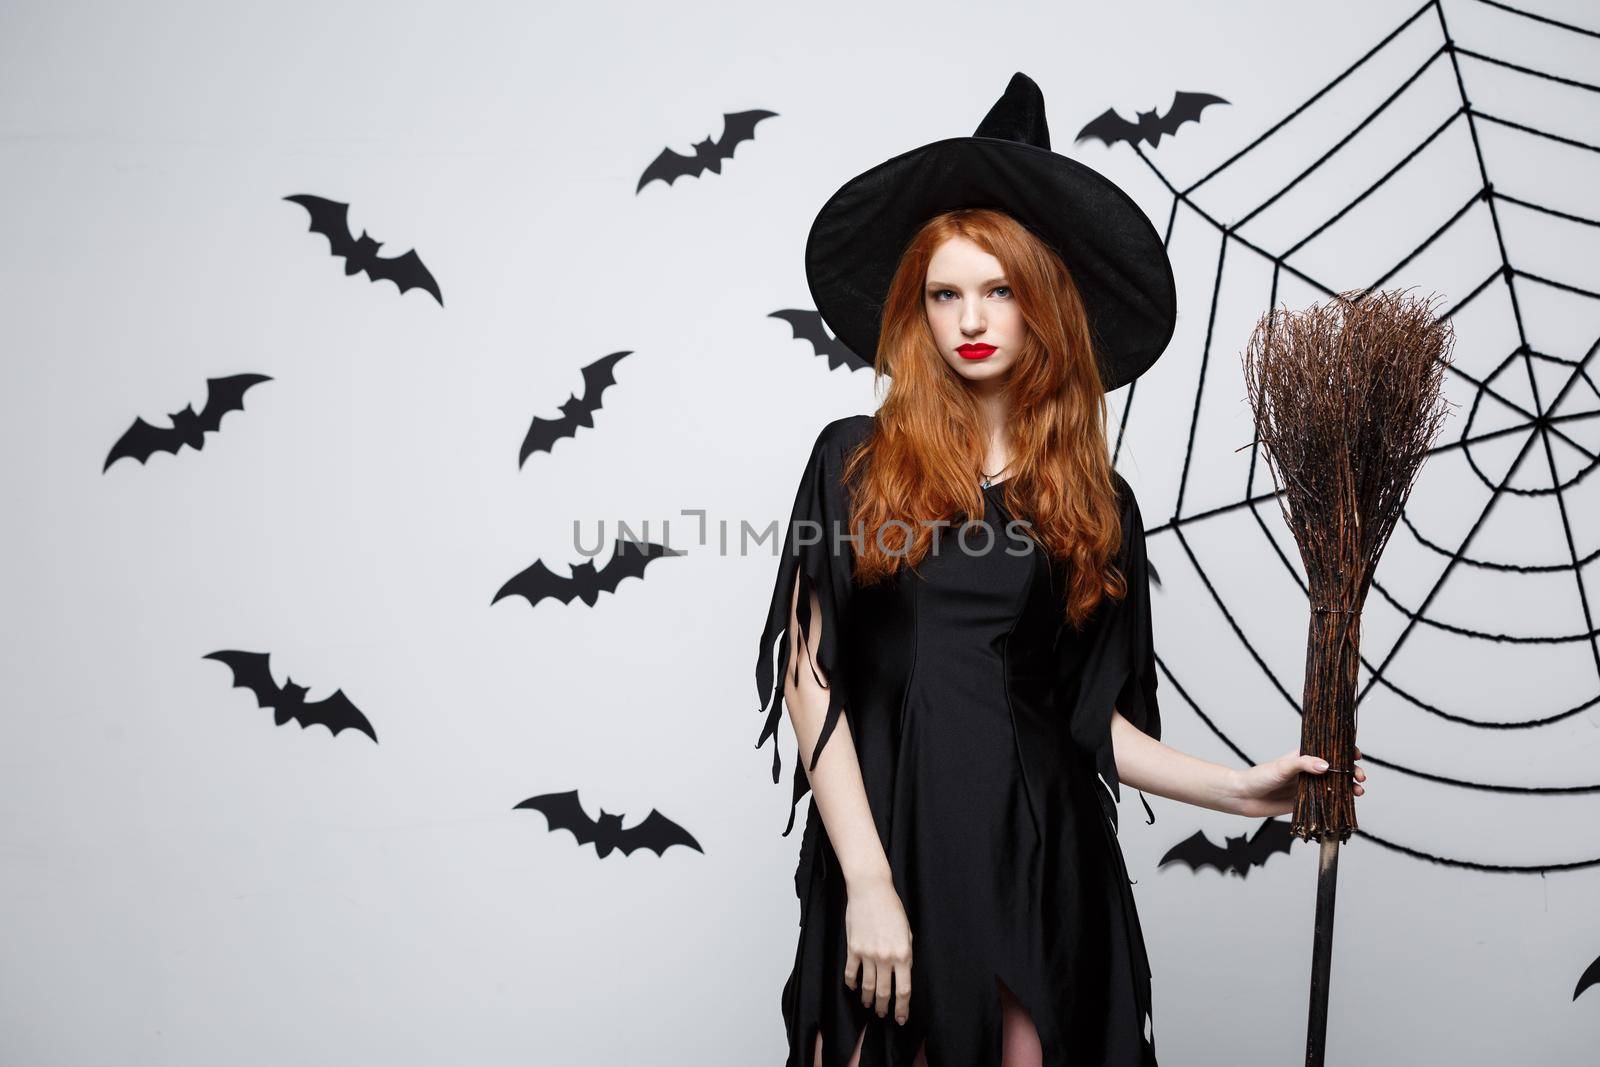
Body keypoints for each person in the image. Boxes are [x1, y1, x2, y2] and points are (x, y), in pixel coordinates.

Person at [753, 74, 1366, 1067]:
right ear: (918, 313)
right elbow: (807, 676)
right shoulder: (852, 457)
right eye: (945, 293)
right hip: (895, 831)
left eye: (999, 289)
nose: (971, 317)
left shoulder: (1096, 501)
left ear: (1044, 306)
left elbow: (1087, 720)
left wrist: (1238, 787)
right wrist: (866, 880)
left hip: (1040, 854)